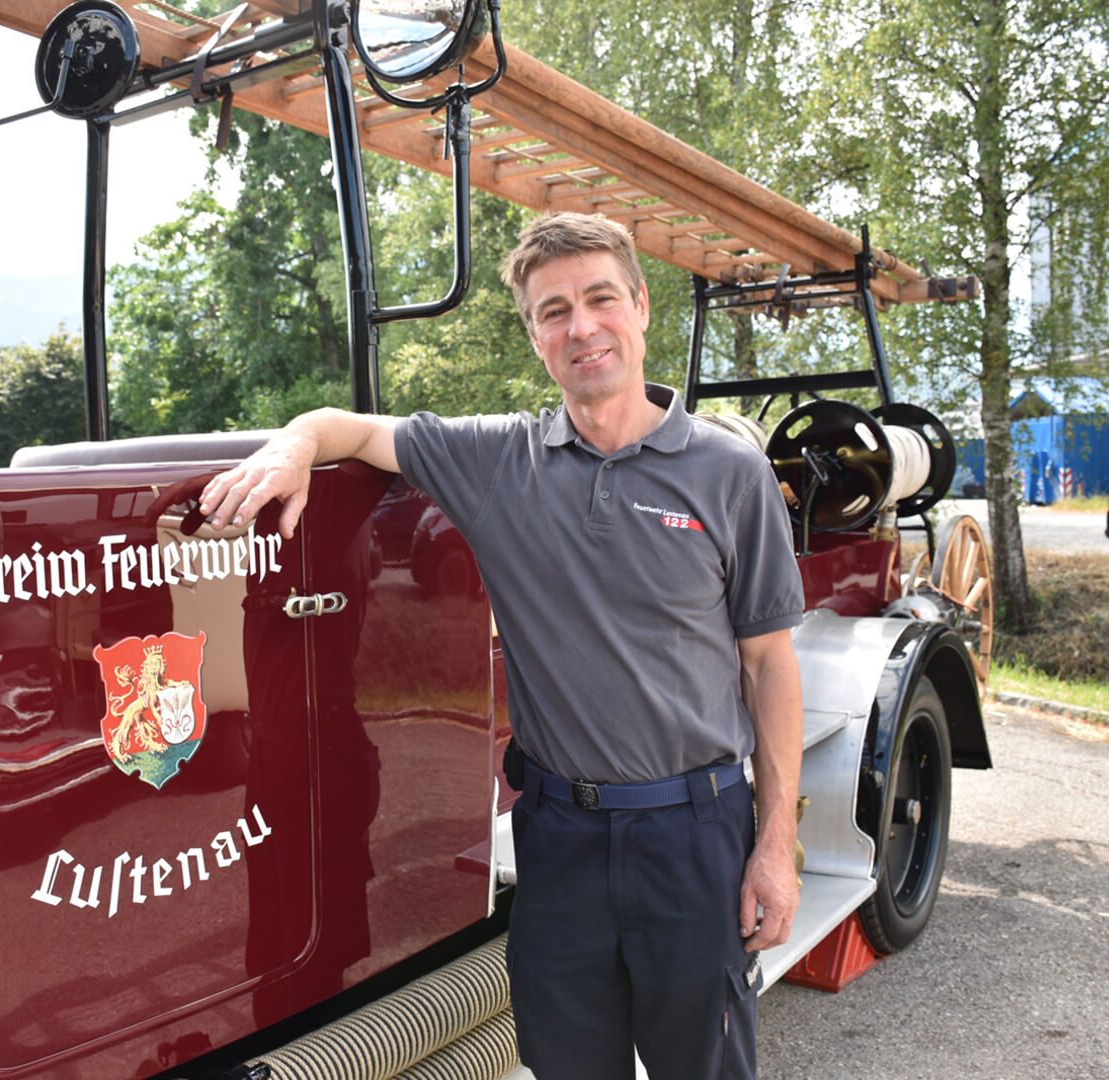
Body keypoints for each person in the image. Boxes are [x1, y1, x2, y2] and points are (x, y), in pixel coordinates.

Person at [199, 211, 804, 1080]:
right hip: (559, 839)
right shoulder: (499, 461)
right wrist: (293, 445)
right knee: (563, 1066)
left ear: (639, 307)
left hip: (694, 833)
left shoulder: (726, 471)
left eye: (600, 299)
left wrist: (773, 849)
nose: (580, 326)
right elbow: (351, 427)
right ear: (533, 335)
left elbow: (768, 665)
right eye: (553, 311)